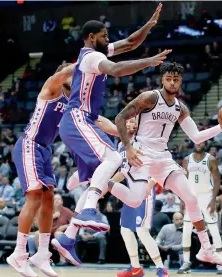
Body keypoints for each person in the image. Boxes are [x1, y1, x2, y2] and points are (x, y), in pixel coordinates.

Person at [52, 3, 171, 262]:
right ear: (91, 37)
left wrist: (148, 26)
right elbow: (117, 70)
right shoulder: (92, 57)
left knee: (102, 177)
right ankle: (88, 211)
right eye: (104, 36)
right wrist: (149, 62)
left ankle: (67, 237)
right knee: (113, 160)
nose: (108, 40)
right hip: (78, 119)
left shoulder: (99, 51)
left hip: (88, 120)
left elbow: (129, 43)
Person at [110, 62, 222, 268]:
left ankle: (206, 250)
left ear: (181, 81)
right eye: (169, 78)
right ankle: (105, 183)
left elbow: (196, 136)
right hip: (142, 152)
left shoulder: (180, 108)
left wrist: (221, 126)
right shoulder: (150, 98)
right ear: (162, 79)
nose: (173, 82)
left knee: (191, 199)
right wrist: (129, 147)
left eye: (176, 79)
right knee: (134, 199)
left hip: (163, 158)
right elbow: (120, 117)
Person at [6, 63, 75, 277]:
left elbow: (96, 121)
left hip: (45, 149)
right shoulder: (52, 87)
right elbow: (66, 71)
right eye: (75, 74)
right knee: (34, 196)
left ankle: (42, 253)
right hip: (30, 144)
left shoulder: (73, 101)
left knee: (48, 198)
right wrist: (90, 57)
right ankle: (19, 253)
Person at [112, 118, 170, 277]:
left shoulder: (145, 141)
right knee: (125, 229)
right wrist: (105, 185)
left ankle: (161, 269)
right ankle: (135, 267)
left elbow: (157, 166)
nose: (130, 124)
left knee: (142, 230)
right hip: (130, 192)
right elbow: (123, 172)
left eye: (134, 121)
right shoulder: (121, 145)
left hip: (144, 189)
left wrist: (150, 184)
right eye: (128, 121)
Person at [178, 142, 222, 275]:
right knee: (186, 230)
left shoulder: (210, 159)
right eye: (196, 141)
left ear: (205, 143)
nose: (199, 143)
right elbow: (183, 181)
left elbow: (217, 181)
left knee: (213, 229)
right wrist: (183, 199)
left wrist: (213, 200)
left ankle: (220, 264)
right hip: (191, 198)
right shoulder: (187, 160)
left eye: (201, 141)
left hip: (207, 196)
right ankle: (186, 262)